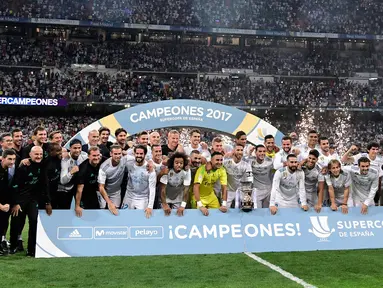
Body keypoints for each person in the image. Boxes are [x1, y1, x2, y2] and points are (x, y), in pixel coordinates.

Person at [10, 146, 52, 257]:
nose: (38, 156)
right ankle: (13, 246)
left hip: (33, 199)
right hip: (20, 200)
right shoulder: (23, 167)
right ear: (30, 154)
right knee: (16, 223)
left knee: (34, 222)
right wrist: (15, 203)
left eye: (40, 154)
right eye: (36, 154)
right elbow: (14, 186)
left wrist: (48, 202)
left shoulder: (43, 166)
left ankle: (31, 249)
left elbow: (45, 185)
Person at [121, 145, 156, 218]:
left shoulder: (150, 169)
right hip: (129, 197)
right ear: (134, 154)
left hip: (142, 199)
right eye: (137, 153)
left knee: (141, 220)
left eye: (141, 154)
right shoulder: (128, 163)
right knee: (124, 218)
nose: (139, 155)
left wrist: (150, 206)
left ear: (145, 154)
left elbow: (152, 189)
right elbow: (118, 156)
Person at [192, 152, 228, 216]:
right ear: (211, 160)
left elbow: (224, 187)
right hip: (199, 197)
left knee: (219, 214)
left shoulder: (222, 170)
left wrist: (224, 204)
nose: (219, 162)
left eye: (221, 160)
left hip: (211, 196)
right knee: (198, 216)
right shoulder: (202, 169)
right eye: (217, 160)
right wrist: (200, 205)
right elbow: (196, 187)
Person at [58, 139, 88, 209]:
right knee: (65, 209)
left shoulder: (84, 156)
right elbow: (63, 181)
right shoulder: (65, 160)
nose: (77, 150)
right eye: (75, 148)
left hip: (80, 186)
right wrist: (71, 172)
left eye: (79, 148)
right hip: (66, 188)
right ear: (70, 148)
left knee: (82, 208)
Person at [98, 145, 127, 215]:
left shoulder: (125, 159)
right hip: (104, 192)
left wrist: (150, 163)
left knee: (115, 213)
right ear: (111, 154)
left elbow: (139, 157)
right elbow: (101, 187)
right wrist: (109, 203)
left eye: (119, 154)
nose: (118, 156)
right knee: (102, 213)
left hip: (116, 192)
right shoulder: (104, 167)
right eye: (115, 154)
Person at [160, 152, 191, 216]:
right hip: (166, 197)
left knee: (178, 216)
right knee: (164, 215)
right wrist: (164, 204)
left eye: (181, 163)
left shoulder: (186, 171)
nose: (179, 165)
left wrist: (183, 206)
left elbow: (186, 190)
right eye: (176, 163)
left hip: (178, 197)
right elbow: (162, 189)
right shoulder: (167, 170)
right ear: (172, 163)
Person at [75, 147, 102, 217]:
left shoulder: (101, 161)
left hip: (94, 193)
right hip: (84, 195)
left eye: (98, 155)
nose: (96, 157)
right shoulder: (83, 169)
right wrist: (77, 206)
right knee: (85, 216)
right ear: (88, 156)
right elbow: (79, 190)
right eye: (94, 156)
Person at [0, 149, 16, 256]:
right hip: (1, 204)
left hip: (6, 203)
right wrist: (0, 206)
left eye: (14, 159)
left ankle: (2, 242)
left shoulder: (9, 170)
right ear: (3, 158)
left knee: (4, 223)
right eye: (9, 159)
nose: (12, 162)